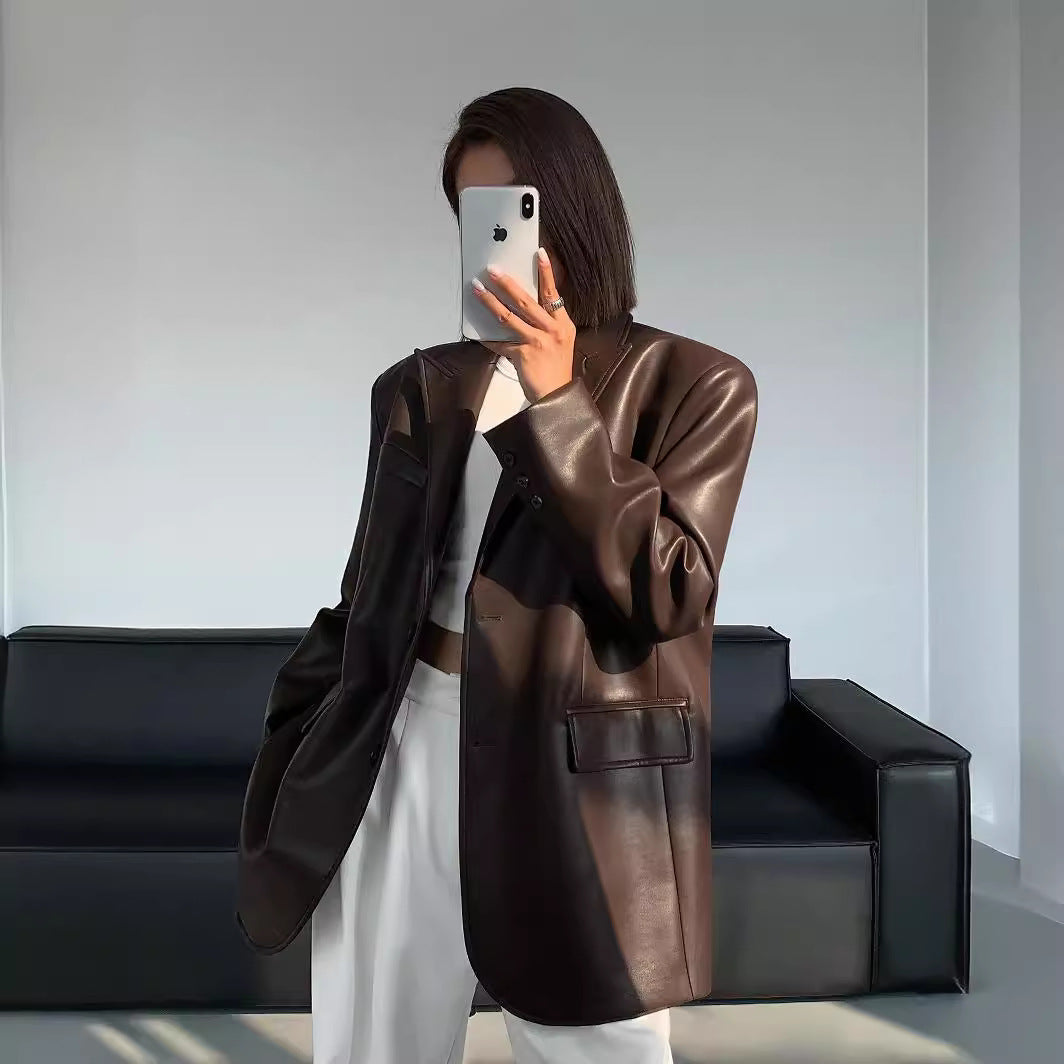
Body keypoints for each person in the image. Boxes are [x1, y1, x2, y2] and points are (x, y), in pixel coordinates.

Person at [236, 86, 758, 1064]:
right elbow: (368, 590)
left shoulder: (696, 384)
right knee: (374, 1045)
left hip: (573, 774)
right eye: (475, 217)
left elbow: (665, 592)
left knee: (599, 1048)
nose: (499, 243)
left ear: (573, 208)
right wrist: (301, 718)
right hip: (399, 744)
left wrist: (556, 403)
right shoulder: (419, 387)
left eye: (515, 209)